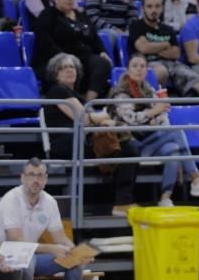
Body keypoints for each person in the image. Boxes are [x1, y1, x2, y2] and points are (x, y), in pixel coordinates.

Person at [109, 54, 199, 205]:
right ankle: (196, 179)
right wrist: (152, 112)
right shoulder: (121, 92)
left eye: (142, 66)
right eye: (135, 66)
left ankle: (165, 198)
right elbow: (130, 120)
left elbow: (163, 117)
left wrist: (157, 114)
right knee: (176, 132)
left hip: (149, 139)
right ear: (128, 70)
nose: (139, 69)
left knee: (173, 149)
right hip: (130, 144)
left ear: (146, 70)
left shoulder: (148, 90)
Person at [41, 53, 139, 216]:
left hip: (82, 140)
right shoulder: (58, 91)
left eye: (72, 67)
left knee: (127, 147)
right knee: (126, 150)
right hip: (67, 143)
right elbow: (84, 119)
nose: (69, 70)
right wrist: (108, 115)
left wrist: (104, 118)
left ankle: (121, 202)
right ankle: (122, 203)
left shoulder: (76, 95)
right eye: (63, 68)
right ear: (55, 74)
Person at [0, 158, 87, 280]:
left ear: (46, 179)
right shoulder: (11, 200)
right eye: (31, 175)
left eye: (40, 176)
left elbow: (61, 239)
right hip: (9, 257)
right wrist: (50, 248)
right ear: (22, 178)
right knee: (27, 264)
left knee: (74, 262)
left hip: (34, 256)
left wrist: (77, 253)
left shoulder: (50, 202)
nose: (36, 180)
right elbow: (17, 241)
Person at [130, 0, 199, 101]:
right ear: (143, 9)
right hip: (148, 64)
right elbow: (143, 48)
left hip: (173, 64)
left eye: (157, 6)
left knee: (196, 79)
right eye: (149, 6)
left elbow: (175, 53)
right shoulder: (136, 25)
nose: (154, 10)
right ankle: (158, 108)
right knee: (161, 71)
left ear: (162, 8)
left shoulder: (168, 29)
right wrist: (165, 45)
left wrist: (153, 48)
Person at [33, 0, 113, 101]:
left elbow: (94, 37)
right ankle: (73, 101)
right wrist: (64, 57)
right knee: (69, 66)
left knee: (103, 63)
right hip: (56, 58)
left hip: (83, 57)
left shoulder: (81, 15)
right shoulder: (47, 15)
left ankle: (88, 101)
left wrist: (102, 51)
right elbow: (45, 42)